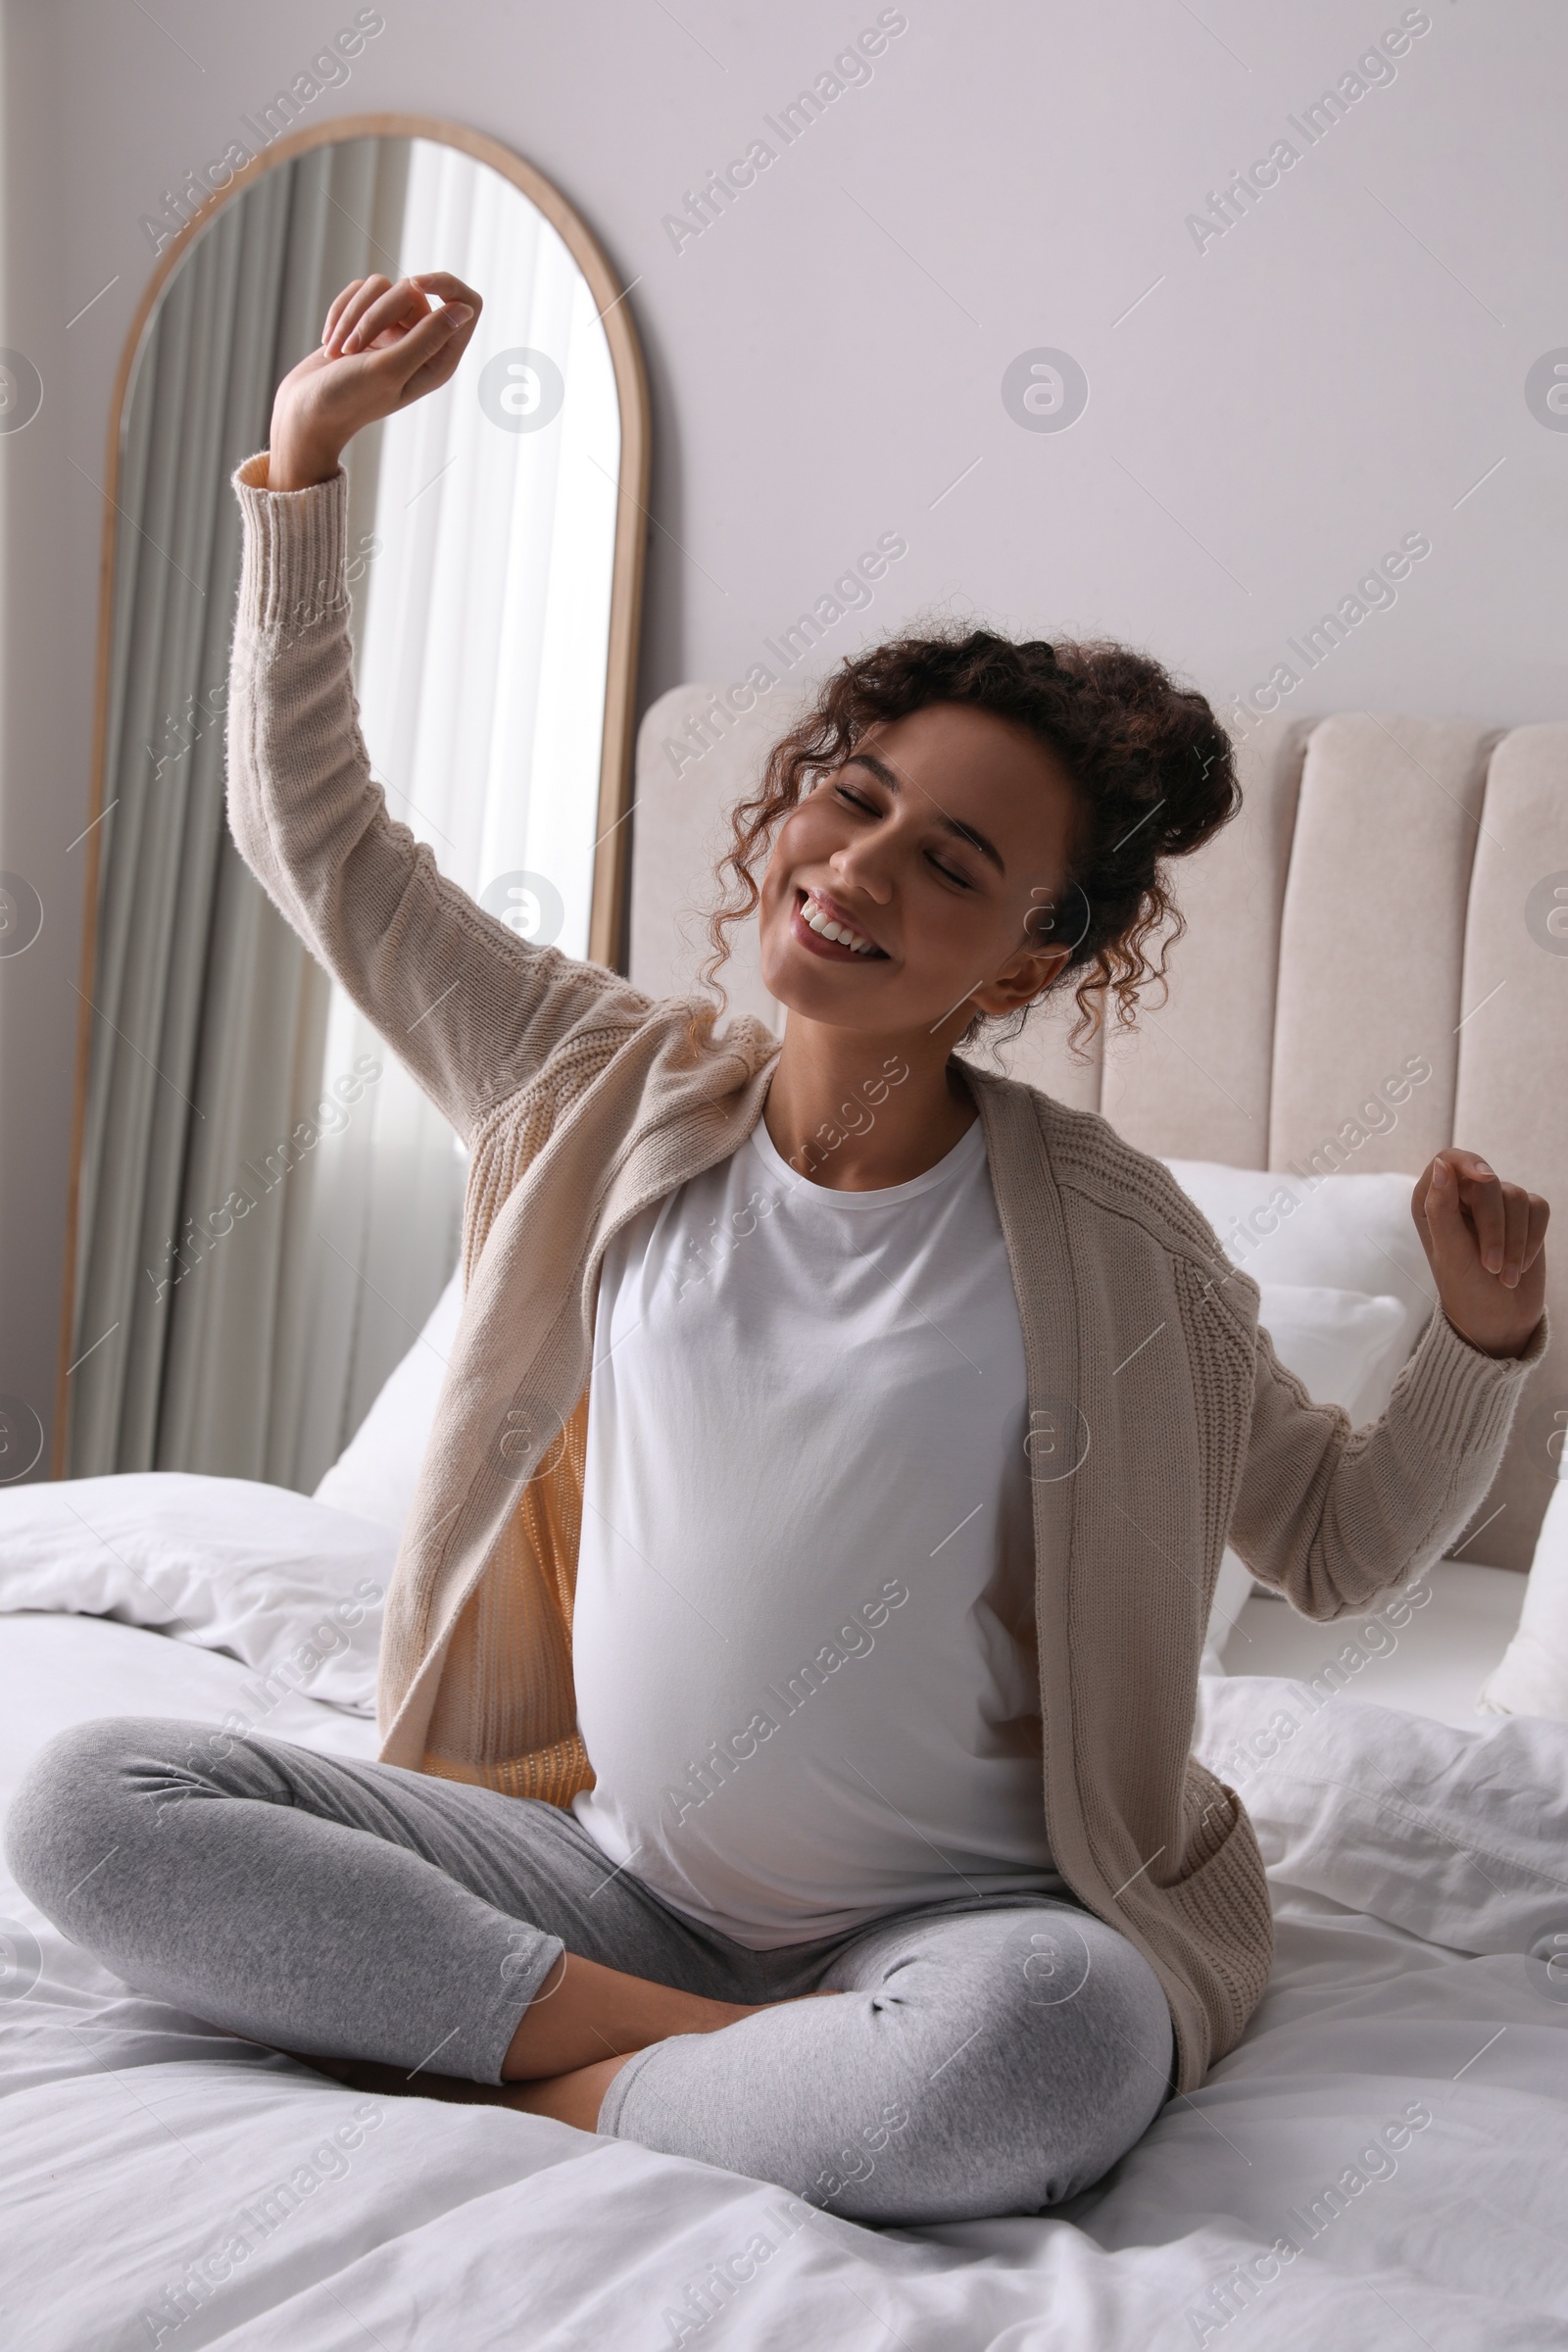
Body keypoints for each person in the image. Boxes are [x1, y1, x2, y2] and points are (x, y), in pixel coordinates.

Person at [6, 271, 1550, 2230]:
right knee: (90, 1804)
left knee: (1049, 2054)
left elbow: (1331, 1552)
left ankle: (548, 2075)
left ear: (1037, 958)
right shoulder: (594, 1079)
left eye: (950, 866)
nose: (857, 868)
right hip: (609, 1876)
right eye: (853, 796)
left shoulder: (1111, 1242)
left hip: (966, 1934)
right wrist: (304, 469)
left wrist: (1476, 1350)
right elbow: (317, 836)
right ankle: (688, 2064)